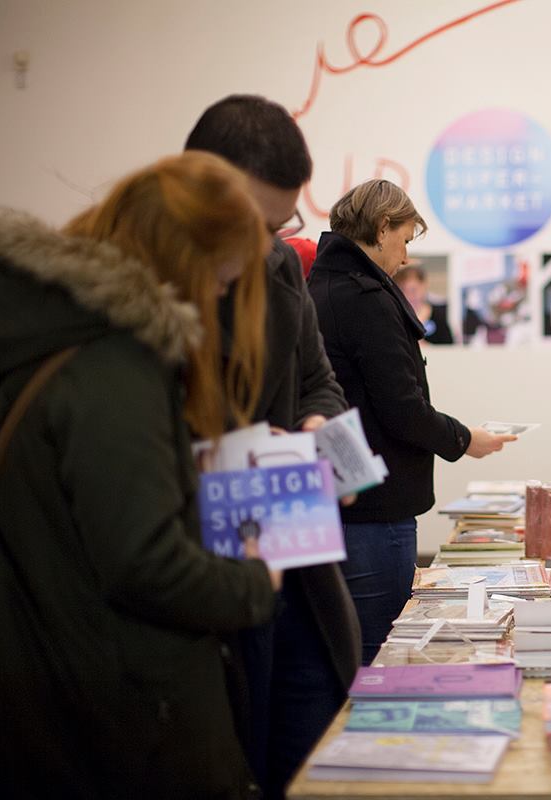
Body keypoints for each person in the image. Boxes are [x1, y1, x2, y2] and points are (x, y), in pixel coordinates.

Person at [0, 152, 279, 797]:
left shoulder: (42, 333)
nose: (221, 298)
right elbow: (145, 563)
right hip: (125, 713)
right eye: (222, 280)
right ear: (185, 261)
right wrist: (255, 584)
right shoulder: (116, 364)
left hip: (53, 688)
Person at [184, 94, 360, 799]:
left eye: (280, 225)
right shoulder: (150, 290)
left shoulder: (282, 268)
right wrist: (239, 449)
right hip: (210, 581)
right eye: (253, 225)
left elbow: (320, 381)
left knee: (311, 748)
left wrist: (319, 428)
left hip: (298, 562)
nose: (265, 245)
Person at [308, 179, 516, 664]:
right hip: (378, 508)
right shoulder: (365, 298)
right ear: (382, 228)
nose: (404, 257)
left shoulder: (321, 287)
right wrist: (465, 439)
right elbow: (402, 408)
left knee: (351, 646)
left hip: (343, 498)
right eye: (404, 240)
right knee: (382, 652)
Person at [394, 263, 454, 344]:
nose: (410, 295)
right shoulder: (396, 316)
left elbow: (450, 347)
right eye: (404, 290)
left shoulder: (439, 316)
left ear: (424, 286)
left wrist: (428, 348)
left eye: (413, 289)